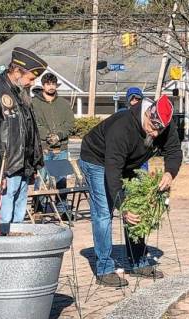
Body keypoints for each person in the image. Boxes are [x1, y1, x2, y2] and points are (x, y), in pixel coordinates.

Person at [78, 95, 182, 287]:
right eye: (154, 127)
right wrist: (123, 206)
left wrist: (169, 172)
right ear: (148, 114)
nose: (157, 134)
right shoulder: (122, 127)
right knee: (104, 212)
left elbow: (174, 150)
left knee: (138, 207)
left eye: (161, 129)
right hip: (97, 159)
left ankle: (138, 262)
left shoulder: (165, 126)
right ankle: (105, 268)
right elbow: (113, 171)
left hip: (128, 163)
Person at [0, 47, 47, 232]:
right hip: (6, 170)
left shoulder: (21, 95)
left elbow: (30, 132)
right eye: (31, 78)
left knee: (18, 224)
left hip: (23, 168)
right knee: (4, 221)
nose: (33, 82)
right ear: (16, 71)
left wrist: (35, 164)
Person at [32, 73, 75, 156]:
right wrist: (47, 135)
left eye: (53, 84)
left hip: (61, 149)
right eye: (48, 84)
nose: (51, 87)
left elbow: (70, 123)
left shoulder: (64, 103)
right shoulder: (34, 103)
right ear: (43, 85)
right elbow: (34, 123)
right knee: (44, 169)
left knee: (61, 169)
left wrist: (58, 136)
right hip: (43, 149)